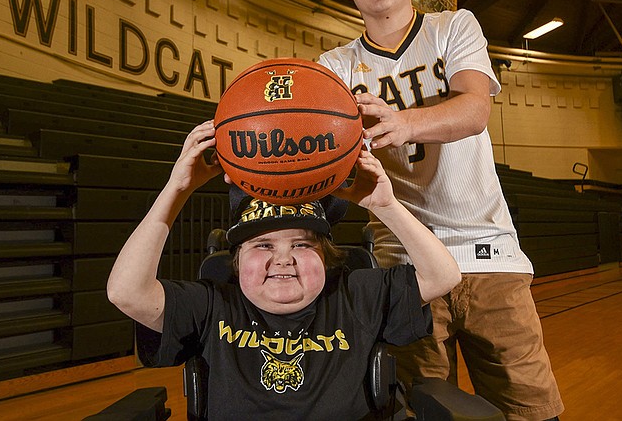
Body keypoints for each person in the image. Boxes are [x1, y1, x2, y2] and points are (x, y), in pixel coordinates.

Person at [316, 0, 564, 421]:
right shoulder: (335, 66)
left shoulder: (452, 27)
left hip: (490, 253)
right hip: (404, 263)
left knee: (531, 411)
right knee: (424, 411)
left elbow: (473, 110)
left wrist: (403, 122)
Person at [106, 120, 461, 420]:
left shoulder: (355, 294)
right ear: (237, 260)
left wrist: (386, 206)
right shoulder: (212, 304)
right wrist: (177, 190)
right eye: (263, 245)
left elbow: (443, 276)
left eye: (302, 245)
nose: (283, 258)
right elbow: (126, 292)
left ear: (325, 256)